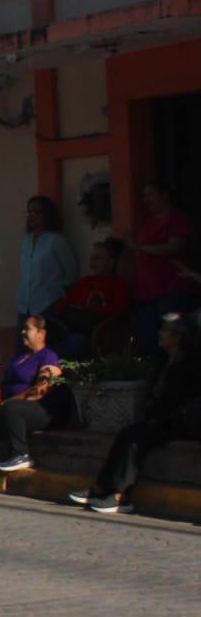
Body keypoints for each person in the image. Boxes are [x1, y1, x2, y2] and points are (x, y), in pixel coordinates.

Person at [69, 314, 201, 514]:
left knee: (135, 440)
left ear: (178, 337)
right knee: (126, 433)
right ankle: (101, 487)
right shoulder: (164, 360)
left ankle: (121, 495)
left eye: (164, 330)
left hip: (179, 421)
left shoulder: (190, 364)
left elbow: (180, 398)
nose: (159, 334)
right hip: (160, 418)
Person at [0, 316, 65, 473]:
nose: (23, 332)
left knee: (12, 408)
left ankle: (21, 454)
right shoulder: (20, 357)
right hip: (7, 406)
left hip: (37, 410)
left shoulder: (48, 356)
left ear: (41, 333)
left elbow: (41, 389)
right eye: (23, 329)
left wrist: (9, 401)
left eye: (28, 329)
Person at [131, 182, 194, 351]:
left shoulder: (176, 220)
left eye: (150, 195)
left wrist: (141, 248)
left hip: (171, 289)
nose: (146, 200)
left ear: (165, 195)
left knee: (173, 338)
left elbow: (175, 246)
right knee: (148, 339)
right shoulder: (148, 222)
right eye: (144, 196)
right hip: (147, 292)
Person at [48, 240, 132, 357]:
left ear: (111, 262)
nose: (92, 262)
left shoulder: (118, 285)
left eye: (98, 258)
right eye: (92, 258)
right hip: (71, 328)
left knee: (75, 342)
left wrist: (89, 309)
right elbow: (64, 304)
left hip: (98, 336)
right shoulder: (85, 282)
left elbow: (120, 310)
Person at [17, 196, 78, 320]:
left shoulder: (56, 240)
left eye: (36, 212)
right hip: (24, 306)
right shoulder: (26, 240)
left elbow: (71, 272)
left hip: (48, 305)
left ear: (47, 214)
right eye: (29, 212)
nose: (31, 215)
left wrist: (55, 290)